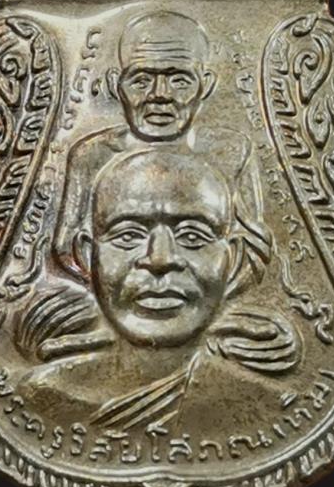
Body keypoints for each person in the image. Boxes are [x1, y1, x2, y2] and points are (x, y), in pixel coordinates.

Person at [16, 151, 300, 435]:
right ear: (88, 255)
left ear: (233, 259)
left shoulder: (270, 405)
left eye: (192, 236)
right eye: (128, 235)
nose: (160, 260)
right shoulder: (42, 395)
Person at [53, 10, 264, 280]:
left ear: (206, 86)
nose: (160, 94)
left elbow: (253, 247)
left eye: (180, 81)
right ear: (116, 85)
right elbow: (67, 249)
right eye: (141, 80)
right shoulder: (92, 155)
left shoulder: (230, 151)